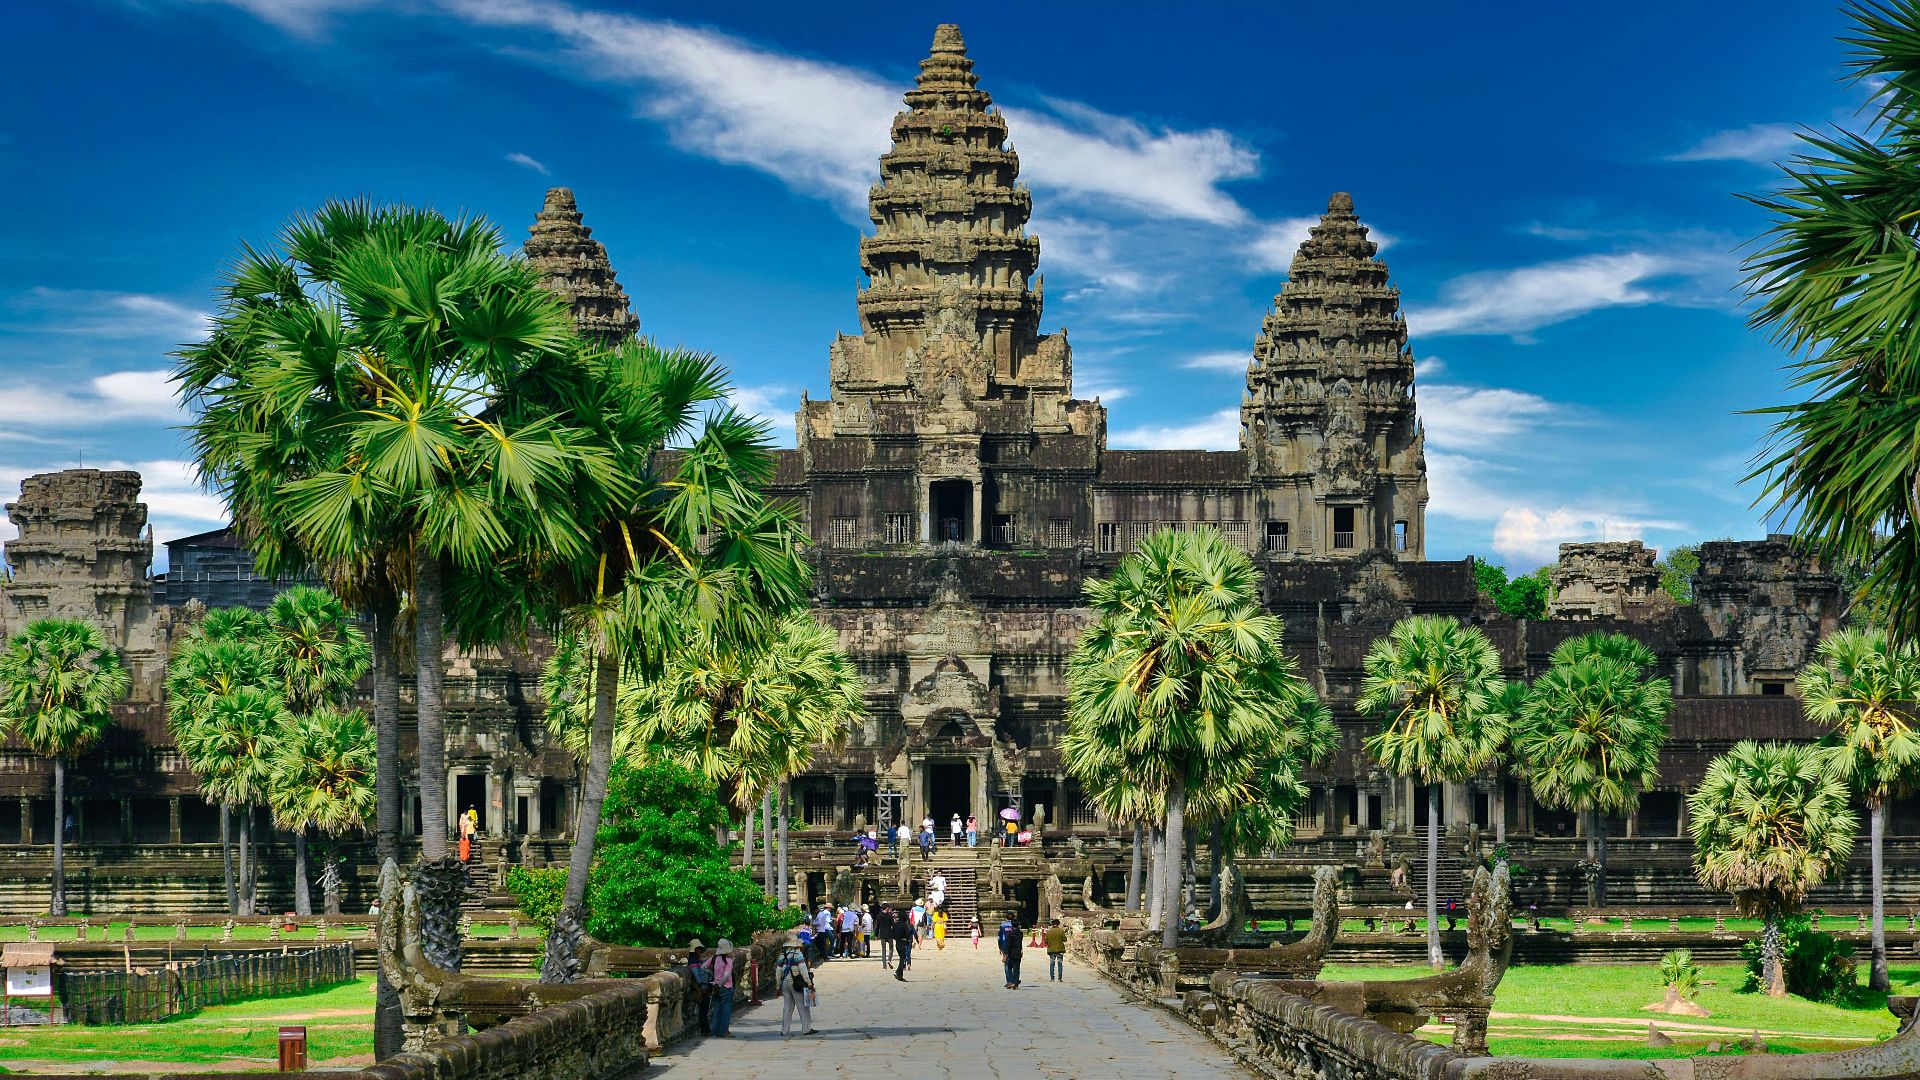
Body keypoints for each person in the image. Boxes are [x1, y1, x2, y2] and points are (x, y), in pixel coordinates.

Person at [777, 931, 816, 1037]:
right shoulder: (798, 954)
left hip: (785, 982)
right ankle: (806, 1028)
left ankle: (784, 1030)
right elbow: (803, 970)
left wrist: (778, 986)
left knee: (787, 1008)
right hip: (796, 982)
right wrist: (809, 983)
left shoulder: (782, 955)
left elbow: (778, 971)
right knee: (803, 1006)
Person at [703, 939, 738, 1036]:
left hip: (715, 986)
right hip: (726, 987)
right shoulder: (728, 960)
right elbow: (727, 975)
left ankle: (715, 1031)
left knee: (717, 1009)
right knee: (726, 1010)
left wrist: (714, 978)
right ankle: (723, 1031)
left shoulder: (714, 959)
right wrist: (721, 983)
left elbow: (703, 967)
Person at [686, 940, 712, 1034]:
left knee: (704, 1010)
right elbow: (696, 975)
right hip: (701, 987)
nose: (700, 951)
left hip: (704, 985)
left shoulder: (697, 960)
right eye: (699, 949)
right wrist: (702, 986)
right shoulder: (693, 960)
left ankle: (705, 1029)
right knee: (703, 1010)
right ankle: (704, 1030)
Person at [997, 919, 1023, 989]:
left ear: (1011, 925)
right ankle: (1016, 983)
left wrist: (1005, 954)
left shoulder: (1010, 934)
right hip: (1018, 952)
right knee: (1017, 968)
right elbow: (1020, 944)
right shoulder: (1020, 933)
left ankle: (1012, 981)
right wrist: (1021, 950)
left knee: (1009, 967)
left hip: (1011, 953)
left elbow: (1008, 945)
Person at [893, 907, 914, 980]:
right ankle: (898, 972)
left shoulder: (895, 924)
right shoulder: (904, 925)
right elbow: (908, 933)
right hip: (903, 942)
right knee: (903, 959)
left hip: (897, 942)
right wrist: (907, 939)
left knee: (901, 958)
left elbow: (893, 934)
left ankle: (900, 976)